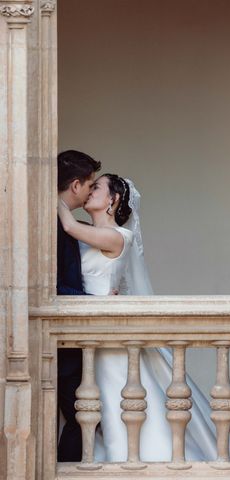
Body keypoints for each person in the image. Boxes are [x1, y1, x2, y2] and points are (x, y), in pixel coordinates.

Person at [57, 172, 230, 462]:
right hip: (89, 336)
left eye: (96, 188)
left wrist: (53, 197)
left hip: (109, 342)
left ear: (113, 200)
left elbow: (68, 225)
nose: (89, 192)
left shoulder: (118, 236)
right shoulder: (88, 234)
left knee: (117, 406)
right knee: (95, 410)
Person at [56, 150, 102, 462]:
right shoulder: (56, 227)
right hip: (62, 346)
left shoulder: (71, 224)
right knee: (78, 417)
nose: (90, 191)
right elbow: (53, 287)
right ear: (75, 185)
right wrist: (97, 304)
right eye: (90, 185)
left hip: (75, 344)